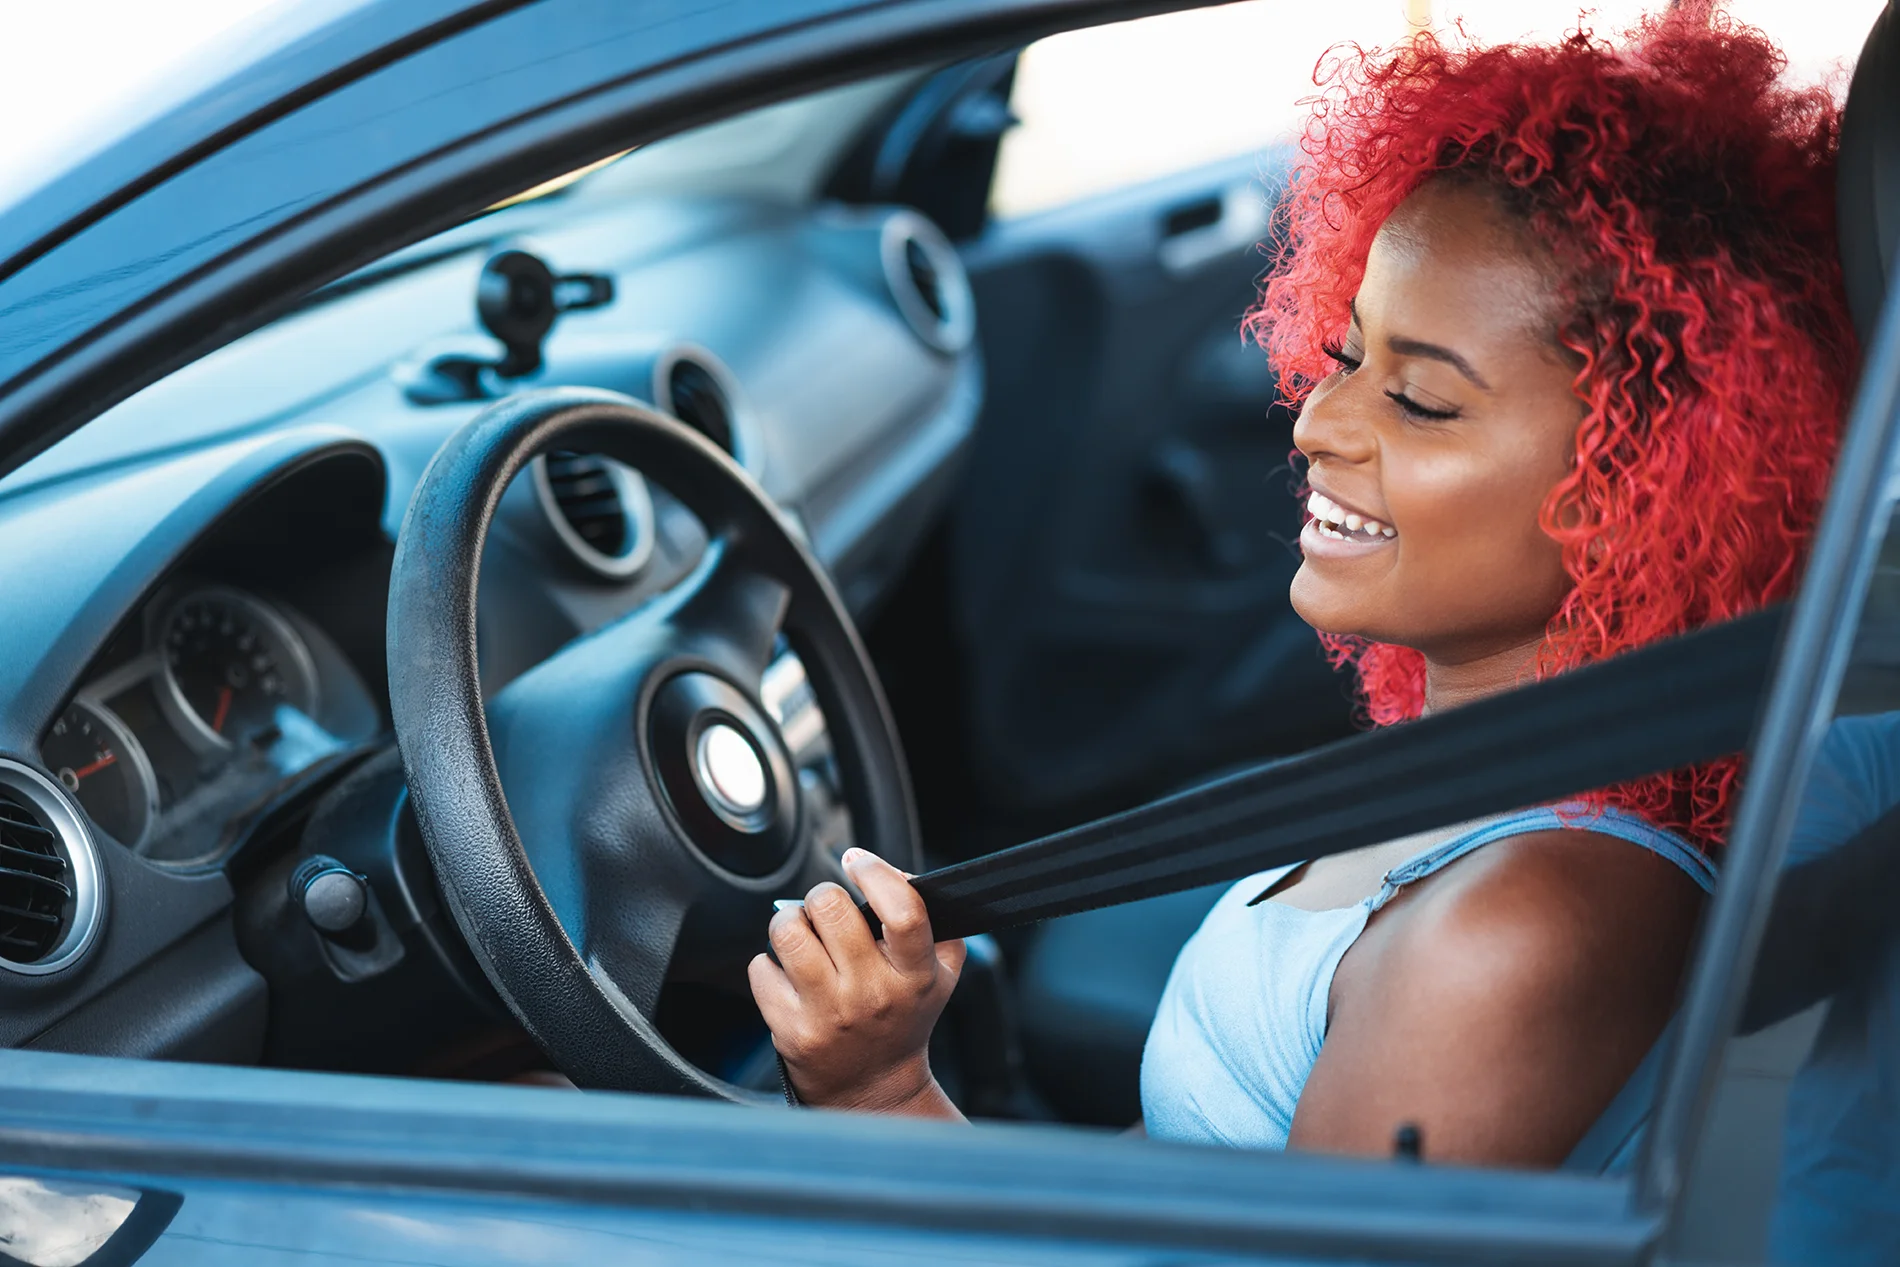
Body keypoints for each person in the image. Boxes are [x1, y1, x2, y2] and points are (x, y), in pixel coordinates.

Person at [748, 5, 1857, 1165]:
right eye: (1345, 354)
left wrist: (879, 1099)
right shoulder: (1462, 779)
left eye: (1419, 400)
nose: (1319, 420)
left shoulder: (1510, 933)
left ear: (1633, 479)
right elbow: (1197, 1182)